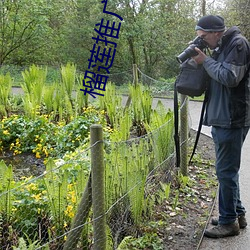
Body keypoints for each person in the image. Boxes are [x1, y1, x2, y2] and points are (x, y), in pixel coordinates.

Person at [192, 15, 250, 238]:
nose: (203, 41)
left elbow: (229, 77)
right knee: (227, 171)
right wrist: (202, 59)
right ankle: (237, 214)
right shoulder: (221, 46)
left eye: (204, 37)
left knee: (225, 171)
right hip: (222, 117)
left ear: (216, 32)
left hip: (232, 118)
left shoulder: (238, 44)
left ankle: (228, 223)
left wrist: (205, 61)